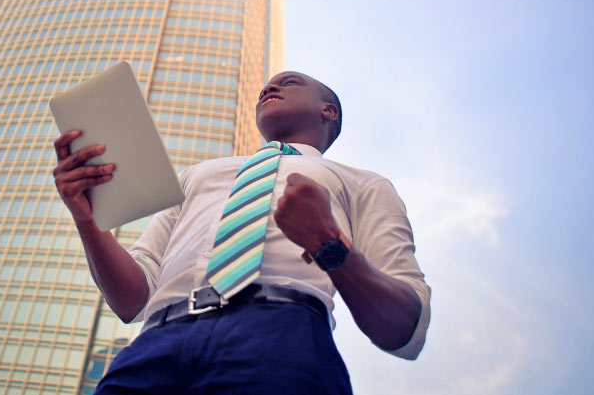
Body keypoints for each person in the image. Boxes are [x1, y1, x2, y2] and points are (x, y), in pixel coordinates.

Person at [52, 71, 430, 394]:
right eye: (264, 88)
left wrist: (330, 245)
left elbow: (405, 329)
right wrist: (88, 220)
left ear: (327, 111)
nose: (268, 89)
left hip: (282, 336)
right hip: (154, 344)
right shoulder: (196, 175)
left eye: (289, 83)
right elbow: (132, 299)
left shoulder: (363, 184)